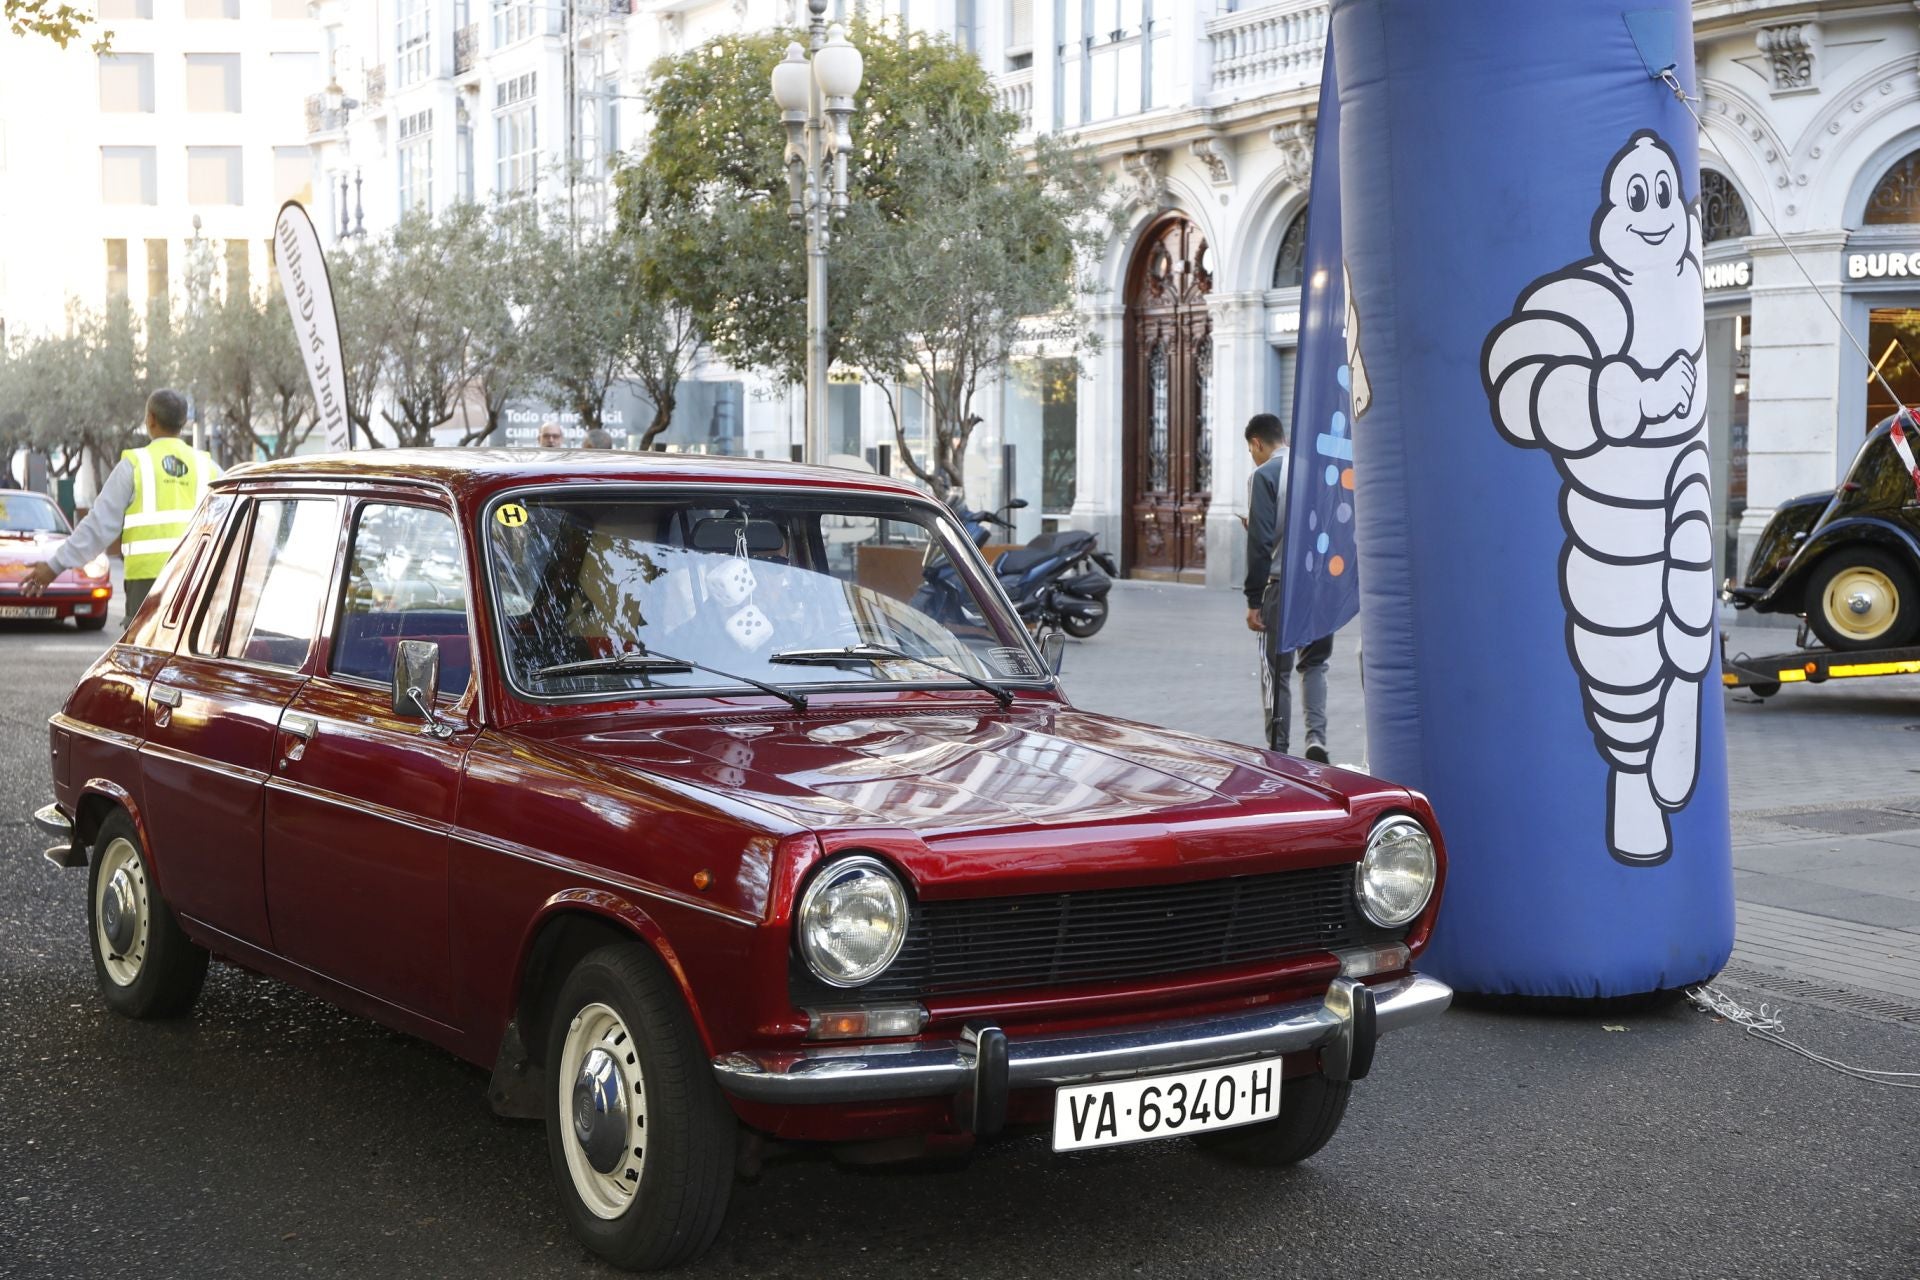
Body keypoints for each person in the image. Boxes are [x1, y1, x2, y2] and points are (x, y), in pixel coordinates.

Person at [22, 389, 219, 620]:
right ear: (183, 421)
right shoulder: (209, 468)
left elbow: (98, 526)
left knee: (146, 650)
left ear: (151, 419)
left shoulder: (134, 466)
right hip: (197, 579)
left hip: (148, 583)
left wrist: (54, 566)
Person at [1244, 412, 1331, 762]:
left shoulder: (1264, 475)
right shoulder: (1317, 471)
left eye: (1251, 450)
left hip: (1279, 586)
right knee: (1315, 664)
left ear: (1257, 443)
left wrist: (1253, 599)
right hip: (1320, 586)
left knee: (1275, 670)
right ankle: (1317, 740)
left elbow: (1261, 541)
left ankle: (1279, 749)